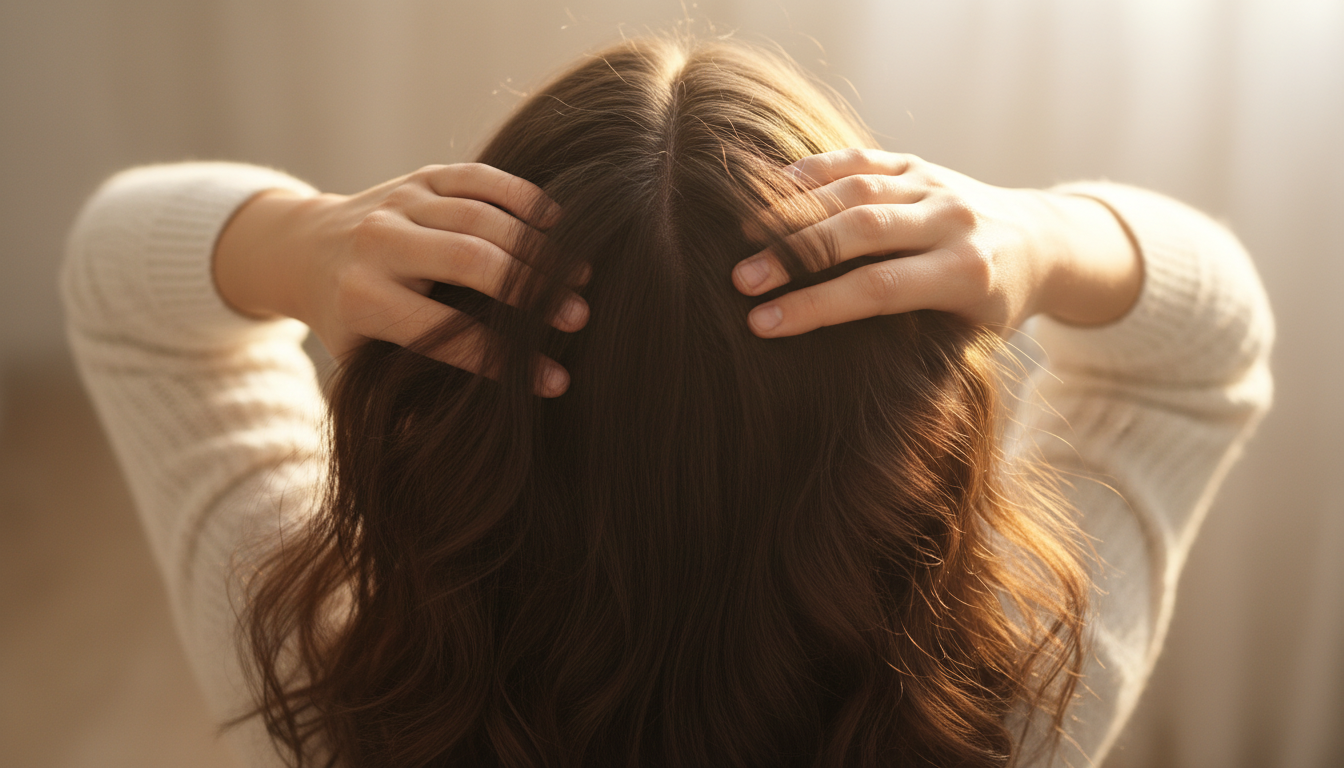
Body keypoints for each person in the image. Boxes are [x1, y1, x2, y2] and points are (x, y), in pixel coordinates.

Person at [62, 36, 1272, 768]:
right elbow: (1204, 350)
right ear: (903, 434)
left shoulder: (335, 712)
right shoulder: (1010, 721)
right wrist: (1047, 237)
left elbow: (122, 281)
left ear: (442, 418)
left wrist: (303, 242)